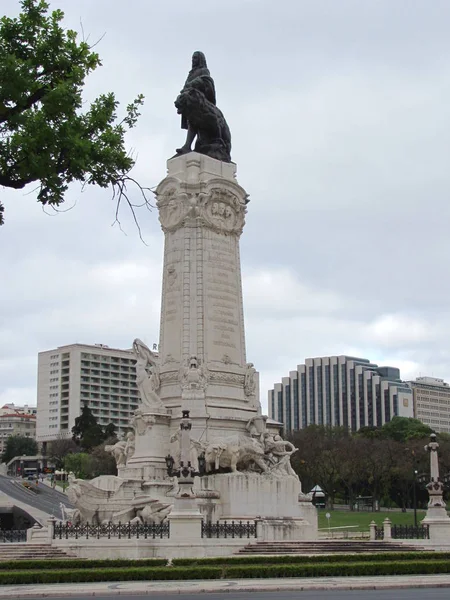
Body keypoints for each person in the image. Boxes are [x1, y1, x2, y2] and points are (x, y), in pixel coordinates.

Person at [176, 51, 216, 156]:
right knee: (191, 122)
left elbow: (206, 81)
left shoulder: (203, 70)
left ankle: (190, 145)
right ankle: (188, 145)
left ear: (200, 59)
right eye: (192, 58)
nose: (193, 60)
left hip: (199, 101)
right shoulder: (191, 73)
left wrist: (193, 84)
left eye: (195, 58)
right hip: (190, 101)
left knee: (196, 123)